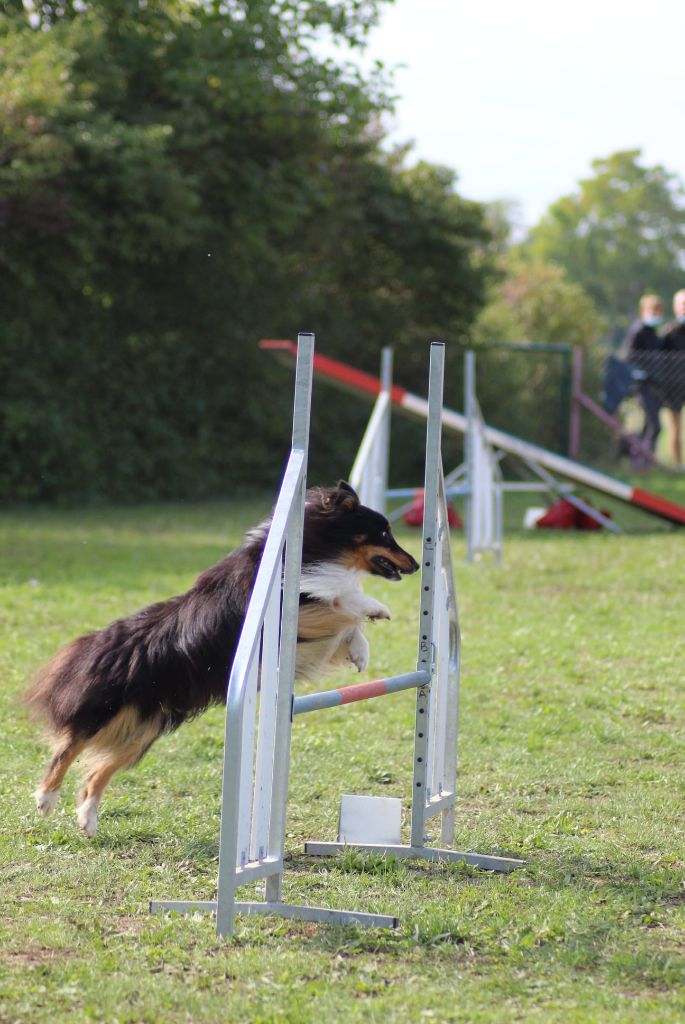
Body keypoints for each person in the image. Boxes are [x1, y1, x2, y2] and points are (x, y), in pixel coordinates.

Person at [622, 294, 665, 456]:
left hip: (654, 385)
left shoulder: (654, 333)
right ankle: (645, 457)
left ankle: (642, 457)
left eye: (658, 311)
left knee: (649, 424)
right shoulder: (637, 332)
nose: (656, 314)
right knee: (655, 424)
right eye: (652, 310)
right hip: (640, 385)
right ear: (644, 311)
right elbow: (629, 357)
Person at [661, 289, 685, 464]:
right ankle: (678, 465)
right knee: (675, 428)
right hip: (674, 386)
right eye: (682, 304)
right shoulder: (669, 332)